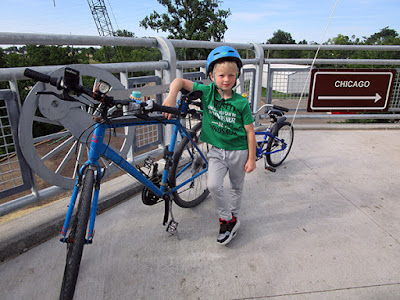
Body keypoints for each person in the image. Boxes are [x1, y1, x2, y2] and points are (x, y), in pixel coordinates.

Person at [163, 46, 256, 245]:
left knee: (236, 188)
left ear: (237, 75)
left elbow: (250, 131)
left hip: (239, 152)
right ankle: (227, 218)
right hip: (216, 151)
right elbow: (179, 81)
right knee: (213, 185)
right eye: (221, 75)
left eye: (231, 75)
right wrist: (172, 96)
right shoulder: (207, 92)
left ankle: (234, 218)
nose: (226, 79)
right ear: (212, 76)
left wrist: (251, 158)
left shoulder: (241, 103)